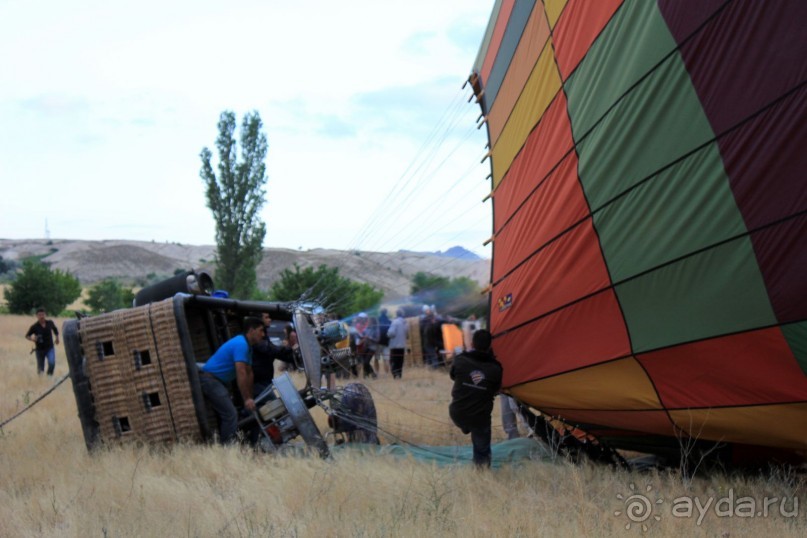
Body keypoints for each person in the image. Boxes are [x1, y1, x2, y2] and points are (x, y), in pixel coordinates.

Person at [198, 317, 264, 444]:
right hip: (210, 380)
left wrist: (250, 398)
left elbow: (249, 373)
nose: (263, 334)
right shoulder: (241, 344)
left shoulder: (248, 347)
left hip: (217, 381)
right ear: (251, 330)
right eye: (261, 331)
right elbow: (241, 372)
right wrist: (246, 399)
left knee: (243, 412)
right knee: (230, 414)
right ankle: (228, 451)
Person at [449, 329, 503, 467]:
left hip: (458, 413)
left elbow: (453, 376)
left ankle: (466, 427)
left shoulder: (460, 360)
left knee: (471, 424)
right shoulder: (496, 368)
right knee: (481, 447)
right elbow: (496, 390)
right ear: (490, 346)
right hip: (480, 416)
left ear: (472, 343)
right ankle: (481, 472)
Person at [252, 313, 296, 397]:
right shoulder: (257, 336)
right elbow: (271, 349)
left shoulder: (264, 334)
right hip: (259, 380)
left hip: (264, 378)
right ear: (259, 320)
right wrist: (292, 350)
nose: (270, 320)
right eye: (266, 317)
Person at [25, 308, 60, 376]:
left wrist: (57, 338)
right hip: (39, 349)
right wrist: (32, 339)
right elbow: (27, 336)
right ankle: (40, 382)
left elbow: (55, 330)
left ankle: (49, 377)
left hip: (50, 348)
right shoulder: (34, 326)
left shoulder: (50, 323)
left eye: (43, 314)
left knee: (52, 363)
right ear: (36, 316)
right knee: (40, 368)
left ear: (45, 315)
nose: (41, 316)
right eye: (39, 315)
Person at [386, 308, 408, 379]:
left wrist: (388, 334)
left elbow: (391, 333)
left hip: (395, 345)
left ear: (396, 314)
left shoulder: (395, 322)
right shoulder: (405, 323)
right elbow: (407, 334)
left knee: (393, 361)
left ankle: (395, 375)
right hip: (402, 345)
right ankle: (399, 375)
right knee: (400, 361)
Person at [375, 308, 391, 375]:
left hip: (378, 343)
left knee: (376, 359)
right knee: (386, 359)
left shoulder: (377, 320)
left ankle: (377, 373)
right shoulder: (389, 321)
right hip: (386, 343)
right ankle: (386, 374)